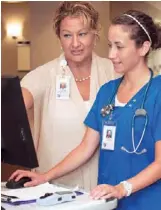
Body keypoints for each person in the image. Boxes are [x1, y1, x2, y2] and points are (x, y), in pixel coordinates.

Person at [10, 9, 161, 210]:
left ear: (144, 48)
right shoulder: (107, 91)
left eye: (119, 47)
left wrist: (123, 188)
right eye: (110, 46)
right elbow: (86, 147)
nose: (111, 55)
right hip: (106, 200)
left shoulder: (157, 92)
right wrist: (45, 176)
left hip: (146, 201)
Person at [12, 1, 114, 191]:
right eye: (67, 35)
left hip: (104, 187)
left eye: (82, 34)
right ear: (59, 38)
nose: (75, 43)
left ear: (95, 34)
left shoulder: (113, 72)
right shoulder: (44, 76)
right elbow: (12, 107)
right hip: (54, 188)